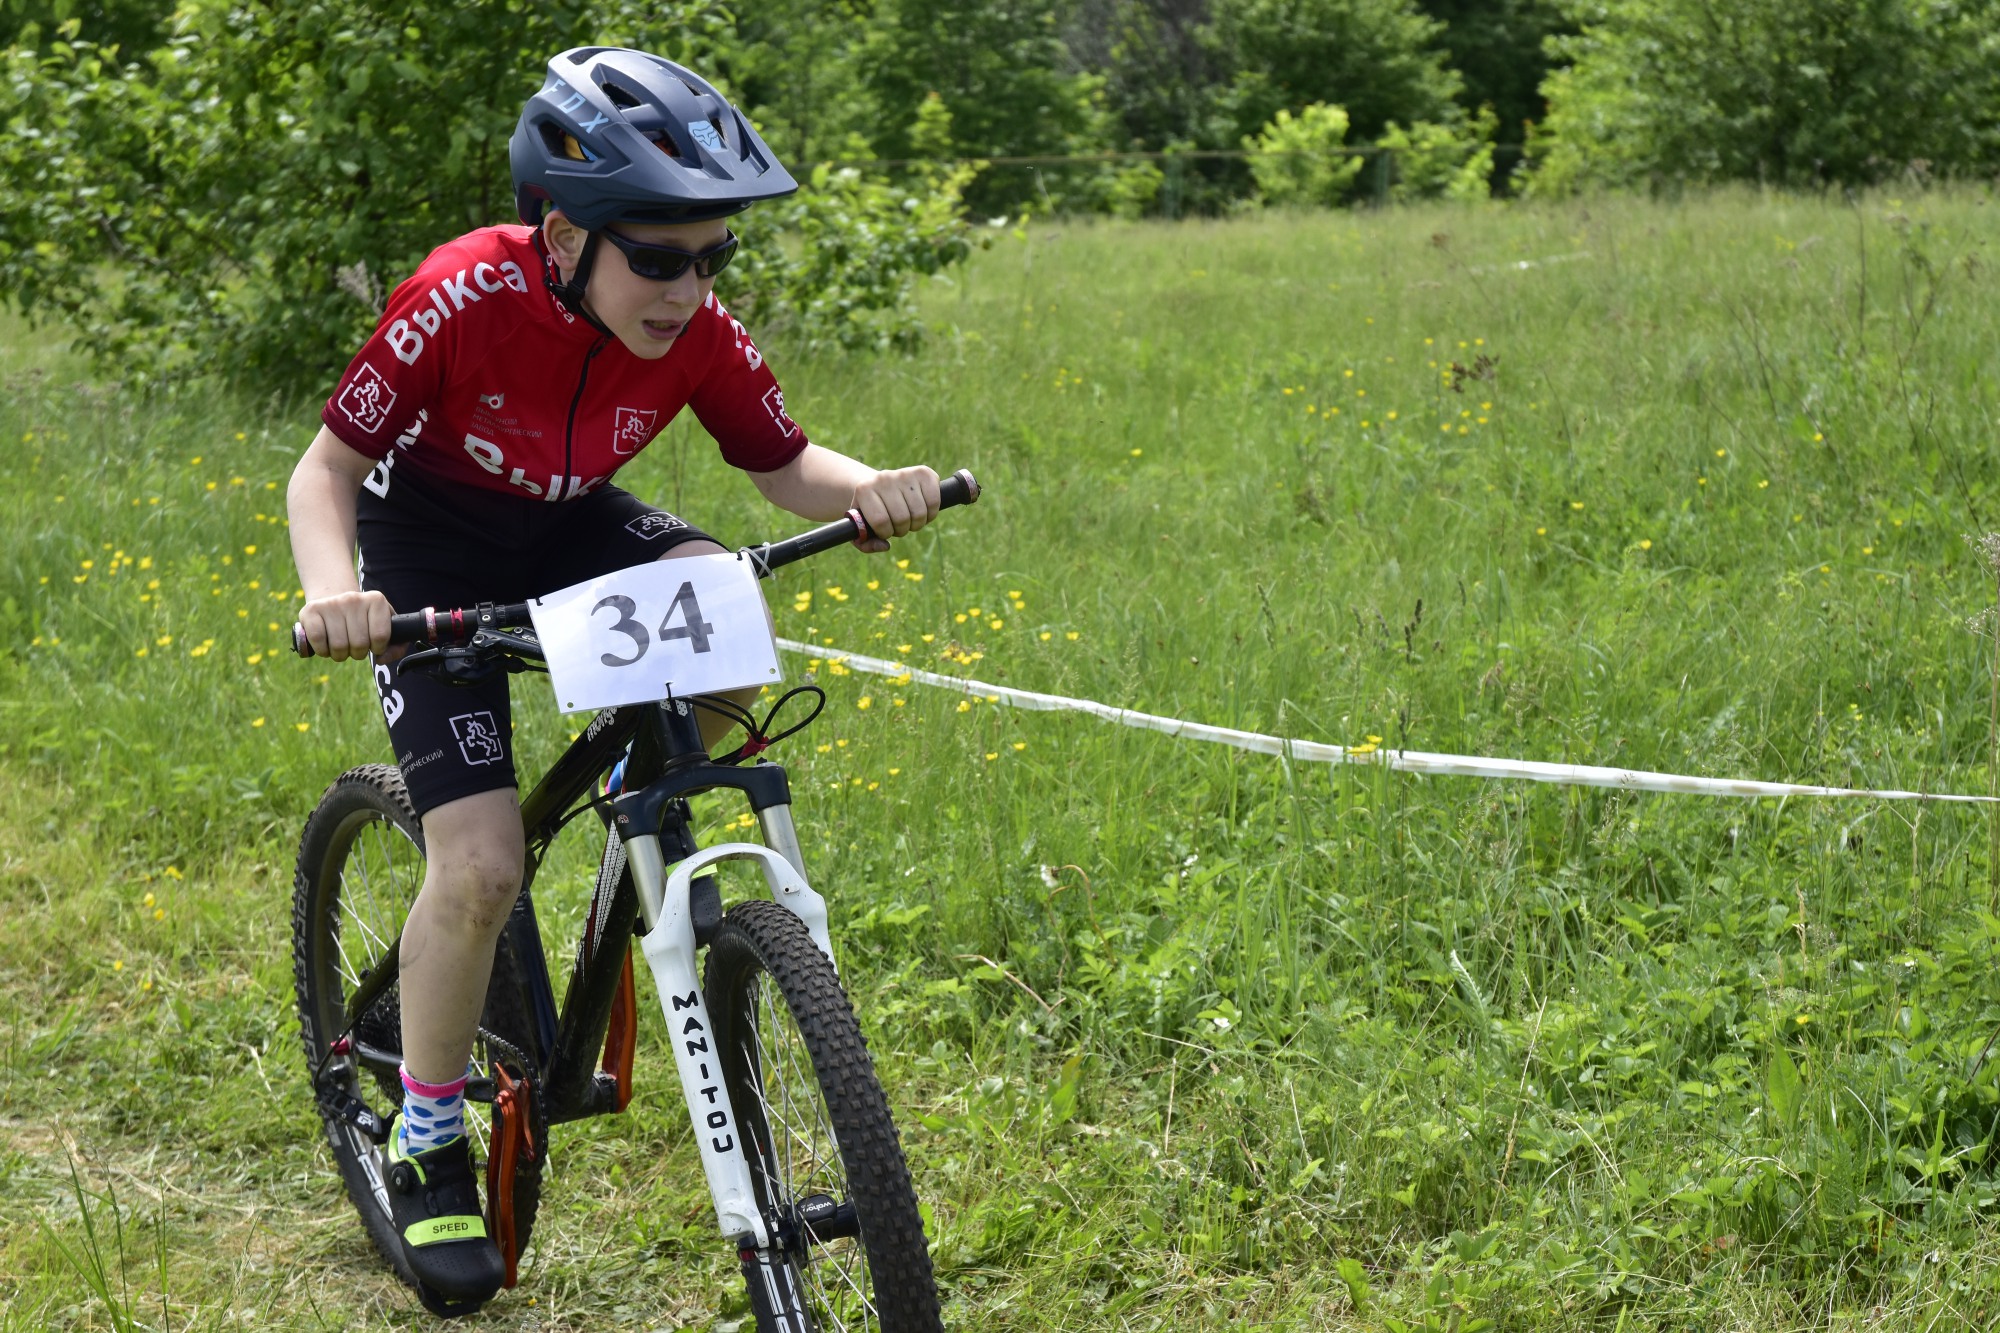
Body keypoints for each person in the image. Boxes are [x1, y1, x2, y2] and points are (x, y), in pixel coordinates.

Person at [286, 47, 941, 1307]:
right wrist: (335, 594)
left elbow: (785, 466)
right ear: (561, 231)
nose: (688, 289)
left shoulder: (694, 331)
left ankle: (651, 822)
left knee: (721, 591)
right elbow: (322, 474)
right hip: (427, 544)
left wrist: (872, 490)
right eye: (657, 257)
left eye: (712, 259)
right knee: (477, 867)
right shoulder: (458, 294)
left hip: (571, 521)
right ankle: (426, 1135)